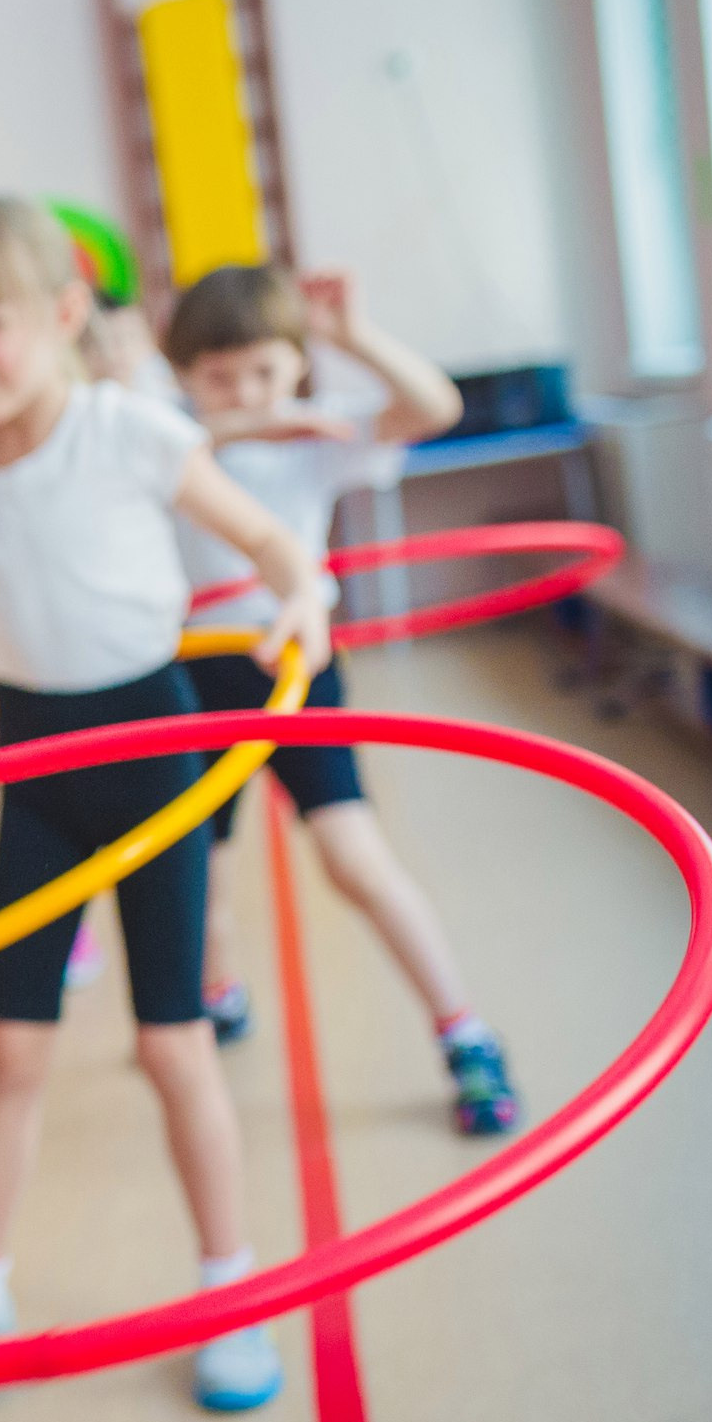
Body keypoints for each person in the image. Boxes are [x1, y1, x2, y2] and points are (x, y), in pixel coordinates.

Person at [0, 198, 332, 1418]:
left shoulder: (127, 429)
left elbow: (268, 539)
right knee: (9, 1048)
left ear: (61, 315)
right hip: (38, 764)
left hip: (152, 746)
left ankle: (229, 1289)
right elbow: (0, 623)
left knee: (170, 1042)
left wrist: (302, 597)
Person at [163, 263, 518, 1133]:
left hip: (296, 665)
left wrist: (352, 337)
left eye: (265, 372)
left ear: (297, 364)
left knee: (354, 858)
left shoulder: (319, 435)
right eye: (220, 377)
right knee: (198, 872)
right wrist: (242, 422)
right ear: (186, 376)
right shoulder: (168, 442)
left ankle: (464, 1031)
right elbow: (155, 443)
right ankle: (218, 990)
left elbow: (434, 407)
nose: (247, 394)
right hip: (193, 679)